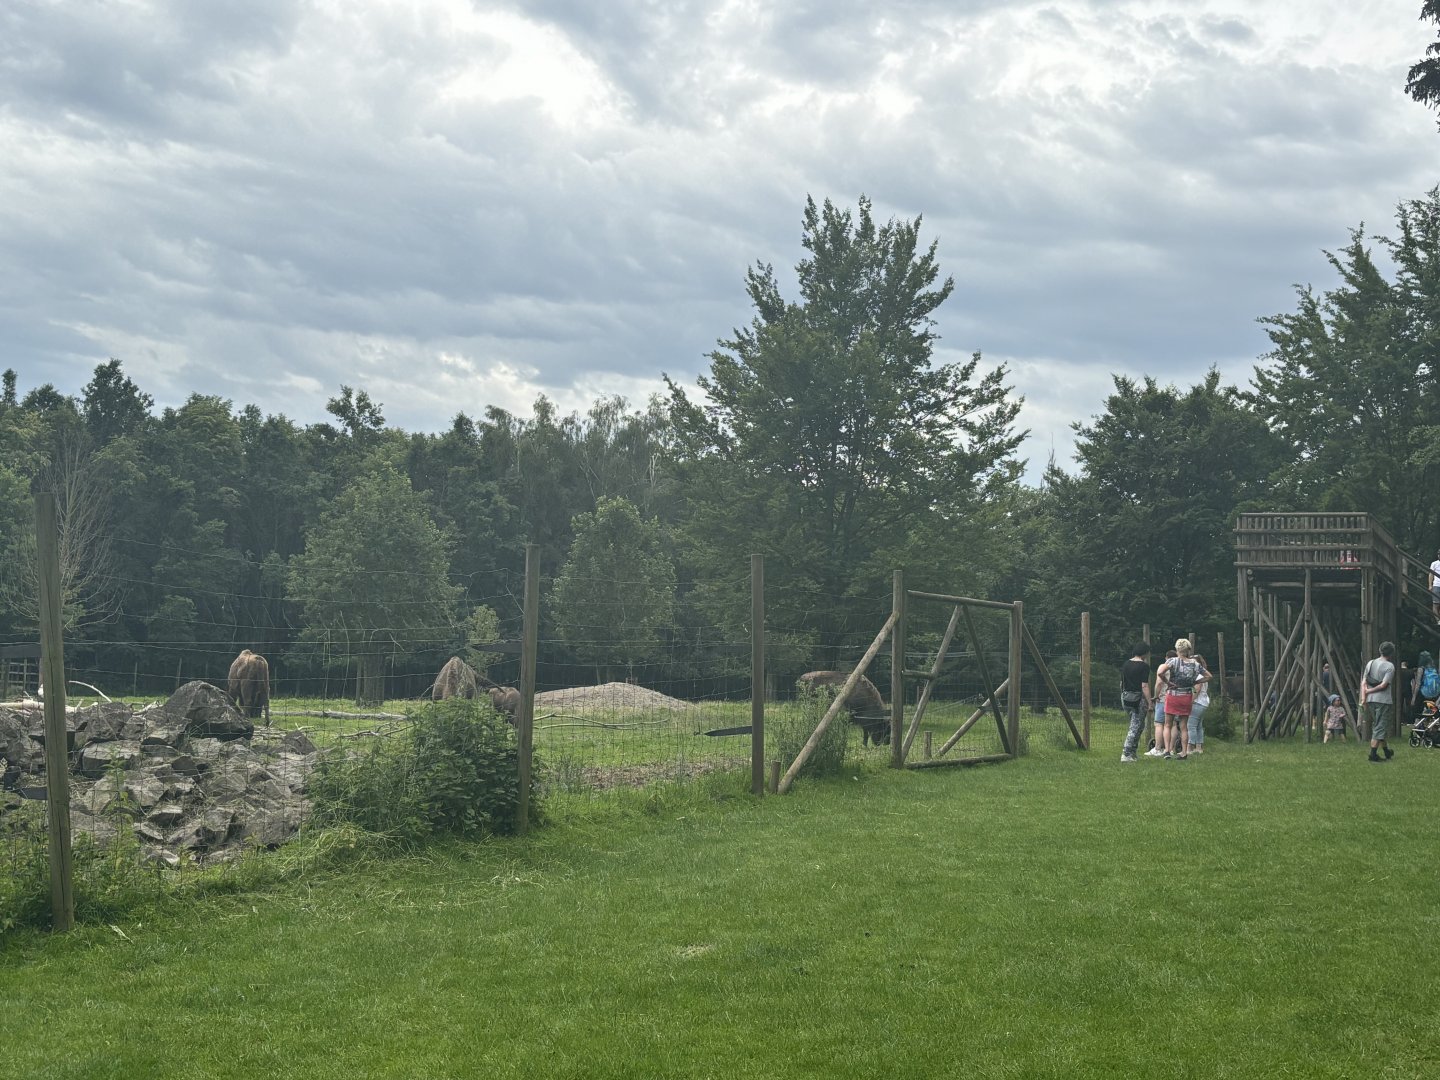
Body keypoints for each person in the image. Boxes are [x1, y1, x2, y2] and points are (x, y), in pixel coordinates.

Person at [1158, 639, 1206, 759]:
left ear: (1177, 649)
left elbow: (1160, 673)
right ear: (1188, 650)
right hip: (1186, 696)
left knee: (1168, 724)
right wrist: (1195, 681)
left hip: (1173, 695)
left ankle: (1167, 751)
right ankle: (1184, 752)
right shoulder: (1195, 664)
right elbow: (1208, 676)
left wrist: (1168, 682)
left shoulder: (1172, 661)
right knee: (1184, 726)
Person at [1359, 641, 1397, 763]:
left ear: (1380, 650)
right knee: (1380, 727)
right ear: (1391, 653)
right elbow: (1383, 685)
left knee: (1379, 725)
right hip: (1383, 700)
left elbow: (1363, 682)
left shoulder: (1370, 663)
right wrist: (1370, 691)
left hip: (1370, 701)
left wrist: (1364, 697)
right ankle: (1373, 755)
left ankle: (1386, 751)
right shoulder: (1389, 666)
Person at [1119, 643, 1152, 763]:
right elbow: (1144, 686)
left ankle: (1133, 752)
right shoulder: (1144, 666)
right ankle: (1126, 753)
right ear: (1144, 653)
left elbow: (1121, 683)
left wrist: (1123, 695)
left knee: (1139, 725)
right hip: (1138, 699)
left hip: (1126, 697)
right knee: (1135, 726)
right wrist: (1150, 702)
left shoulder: (1126, 664)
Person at [1147, 649, 1178, 756]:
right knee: (1173, 724)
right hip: (1176, 698)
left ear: (1166, 657)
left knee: (1159, 724)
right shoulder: (1178, 668)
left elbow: (1159, 683)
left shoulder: (1163, 667)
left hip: (1163, 699)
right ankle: (1171, 749)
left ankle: (1158, 748)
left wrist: (1156, 695)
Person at [1188, 653, 1212, 754]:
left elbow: (1196, 690)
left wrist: (1190, 701)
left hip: (1197, 702)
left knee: (1191, 725)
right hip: (1204, 702)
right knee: (1199, 726)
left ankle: (1190, 748)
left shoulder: (1197, 675)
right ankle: (1199, 747)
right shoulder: (1203, 675)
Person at [1410, 650, 1439, 721]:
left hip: (1423, 694)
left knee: (1419, 712)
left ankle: (1418, 724)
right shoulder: (1435, 669)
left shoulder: (1421, 669)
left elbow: (1418, 684)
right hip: (1435, 694)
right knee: (1432, 711)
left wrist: (1413, 698)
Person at [1430, 548, 1440, 624]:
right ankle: (1438, 620)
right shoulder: (1434, 563)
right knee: (1435, 603)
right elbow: (1431, 574)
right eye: (1439, 554)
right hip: (1436, 585)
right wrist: (1430, 585)